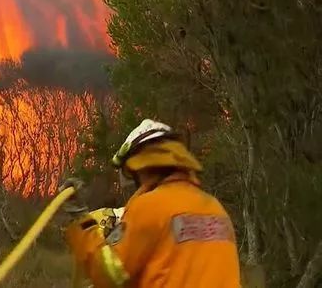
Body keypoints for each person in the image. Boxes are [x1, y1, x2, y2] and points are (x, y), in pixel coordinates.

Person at [60, 119, 241, 288]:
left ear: (142, 168)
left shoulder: (150, 206)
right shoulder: (215, 208)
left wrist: (81, 218)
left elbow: (111, 273)